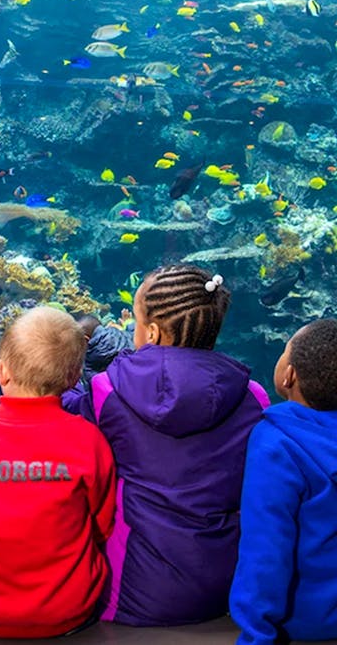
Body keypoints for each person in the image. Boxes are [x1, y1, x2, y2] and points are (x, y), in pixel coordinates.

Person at [62, 265, 270, 627]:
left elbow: (61, 418)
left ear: (153, 332)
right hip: (226, 588)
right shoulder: (254, 397)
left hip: (130, 595)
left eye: (138, 322)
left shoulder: (105, 392)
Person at [0, 306, 116, 639]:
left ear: (1, 371)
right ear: (73, 377)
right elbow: (102, 523)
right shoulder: (88, 439)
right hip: (69, 609)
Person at [230, 318, 337, 644]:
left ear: (288, 375)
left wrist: (255, 636)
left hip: (307, 621)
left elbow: (266, 548)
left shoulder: (277, 442)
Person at [76, 313, 134, 383]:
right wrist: (128, 322)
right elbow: (133, 330)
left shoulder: (89, 364)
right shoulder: (130, 336)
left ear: (86, 339)